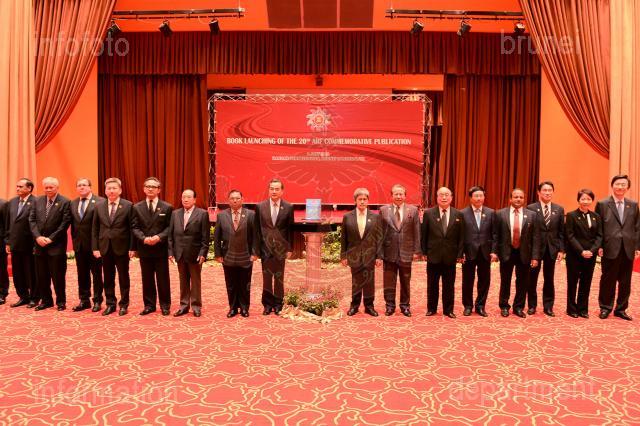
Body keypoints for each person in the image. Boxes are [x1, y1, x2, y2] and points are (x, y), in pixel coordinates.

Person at [595, 174, 640, 321]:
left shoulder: (633, 204)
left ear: (627, 188)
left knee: (625, 281)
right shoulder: (602, 204)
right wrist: (599, 245)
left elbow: (637, 227)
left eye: (623, 185)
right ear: (612, 185)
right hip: (609, 247)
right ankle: (605, 307)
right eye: (618, 184)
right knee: (608, 279)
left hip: (628, 248)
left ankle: (621, 309)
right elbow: (598, 227)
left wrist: (637, 246)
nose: (620, 187)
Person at [92, 177, 135, 316]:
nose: (111, 191)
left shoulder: (128, 205)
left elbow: (132, 228)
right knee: (108, 277)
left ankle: (124, 304)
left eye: (114, 188)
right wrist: (95, 247)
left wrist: (132, 247)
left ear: (120, 190)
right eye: (109, 188)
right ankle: (110, 304)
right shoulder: (99, 206)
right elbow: (95, 228)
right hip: (105, 247)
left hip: (122, 247)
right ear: (105, 191)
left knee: (123, 277)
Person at [496, 188, 541, 318]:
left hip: (524, 253)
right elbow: (496, 235)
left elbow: (536, 237)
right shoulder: (500, 214)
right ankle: (504, 306)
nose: (518, 199)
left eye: (521, 197)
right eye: (516, 197)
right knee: (505, 281)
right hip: (506, 252)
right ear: (510, 199)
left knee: (522, 282)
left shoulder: (532, 215)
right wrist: (495, 252)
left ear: (524, 199)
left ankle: (518, 307)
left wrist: (535, 257)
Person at [29, 177, 71, 311]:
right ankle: (46, 301)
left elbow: (64, 223)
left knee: (58, 277)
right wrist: (37, 237)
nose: (48, 189)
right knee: (42, 276)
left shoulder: (65, 202)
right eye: (46, 187)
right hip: (39, 245)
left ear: (57, 188)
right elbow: (32, 220)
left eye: (51, 187)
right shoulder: (37, 200)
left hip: (56, 246)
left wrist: (51, 239)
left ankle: (61, 302)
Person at [132, 177, 173, 316]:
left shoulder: (167, 207)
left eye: (153, 187)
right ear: (144, 189)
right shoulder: (136, 207)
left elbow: (170, 227)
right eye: (148, 186)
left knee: (163, 278)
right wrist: (143, 239)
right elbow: (134, 227)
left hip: (160, 248)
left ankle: (165, 305)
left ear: (159, 190)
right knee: (147, 278)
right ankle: (149, 305)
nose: (150, 189)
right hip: (144, 248)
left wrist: (159, 237)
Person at [421, 186, 465, 318]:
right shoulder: (429, 213)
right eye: (441, 195)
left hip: (450, 256)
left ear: (451, 198)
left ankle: (448, 310)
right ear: (437, 197)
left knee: (449, 285)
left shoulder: (458, 214)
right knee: (432, 284)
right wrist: (424, 252)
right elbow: (424, 234)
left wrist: (459, 254)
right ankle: (431, 308)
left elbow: (461, 237)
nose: (444, 197)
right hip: (433, 255)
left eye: (447, 195)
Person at [214, 190, 259, 318]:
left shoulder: (251, 215)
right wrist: (218, 254)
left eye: (237, 198)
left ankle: (244, 308)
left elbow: (256, 236)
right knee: (231, 284)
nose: (235, 200)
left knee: (245, 284)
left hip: (246, 255)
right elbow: (217, 237)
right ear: (228, 200)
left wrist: (255, 253)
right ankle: (233, 308)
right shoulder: (222, 216)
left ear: (242, 199)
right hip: (228, 255)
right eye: (232, 198)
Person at [379, 184, 421, 317]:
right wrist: (379, 254)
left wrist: (416, 251)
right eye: (396, 194)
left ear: (405, 196)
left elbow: (417, 231)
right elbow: (380, 233)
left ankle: (405, 306)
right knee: (388, 282)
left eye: (401, 194)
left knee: (405, 282)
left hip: (406, 252)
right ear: (391, 196)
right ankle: (389, 306)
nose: (398, 196)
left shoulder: (413, 210)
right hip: (389, 252)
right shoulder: (383, 210)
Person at [341, 187, 383, 316]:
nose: (363, 201)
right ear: (355, 201)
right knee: (356, 282)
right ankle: (354, 306)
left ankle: (369, 307)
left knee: (369, 282)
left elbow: (379, 238)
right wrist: (343, 256)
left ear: (368, 201)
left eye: (365, 199)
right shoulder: (347, 217)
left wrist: (379, 256)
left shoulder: (375, 217)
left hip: (370, 255)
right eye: (360, 199)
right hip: (353, 255)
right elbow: (344, 238)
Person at [255, 179, 294, 315]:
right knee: (266, 278)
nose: (274, 191)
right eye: (271, 188)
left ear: (282, 191)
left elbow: (290, 230)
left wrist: (290, 248)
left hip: (280, 249)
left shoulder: (288, 207)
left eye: (277, 189)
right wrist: (256, 249)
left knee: (279, 278)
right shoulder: (260, 207)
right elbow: (257, 230)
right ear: (268, 190)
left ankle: (278, 304)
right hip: (265, 248)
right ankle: (267, 305)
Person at [169, 189, 210, 317]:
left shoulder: (202, 214)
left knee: (195, 281)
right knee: (183, 280)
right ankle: (184, 306)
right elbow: (170, 235)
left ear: (194, 200)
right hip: (180, 253)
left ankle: (196, 306)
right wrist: (170, 252)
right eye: (183, 197)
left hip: (195, 253)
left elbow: (205, 237)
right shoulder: (175, 214)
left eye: (188, 197)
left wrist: (203, 253)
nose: (185, 199)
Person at [527, 181, 565, 316]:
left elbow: (561, 232)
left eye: (550, 190)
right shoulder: (531, 208)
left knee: (549, 278)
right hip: (535, 249)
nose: (547, 193)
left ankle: (548, 306)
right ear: (539, 192)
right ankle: (532, 305)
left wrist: (561, 250)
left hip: (551, 248)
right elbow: (528, 232)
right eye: (544, 190)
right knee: (532, 278)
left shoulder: (559, 209)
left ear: (553, 192)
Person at [564, 189, 602, 318]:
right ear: (578, 200)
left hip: (590, 255)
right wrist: (581, 251)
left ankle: (583, 309)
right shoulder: (571, 215)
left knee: (586, 282)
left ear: (592, 200)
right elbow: (570, 236)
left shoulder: (596, 216)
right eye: (583, 199)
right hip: (575, 254)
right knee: (572, 282)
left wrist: (592, 250)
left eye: (588, 199)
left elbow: (599, 236)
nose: (586, 201)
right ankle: (571, 308)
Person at [460, 186, 498, 317]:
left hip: (485, 252)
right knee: (467, 281)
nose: (478, 198)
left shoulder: (491, 212)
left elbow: (495, 234)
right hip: (468, 252)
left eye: (481, 195)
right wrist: (460, 253)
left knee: (484, 281)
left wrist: (494, 251)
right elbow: (460, 236)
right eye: (476, 196)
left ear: (484, 197)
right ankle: (468, 306)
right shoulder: (462, 213)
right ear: (470, 198)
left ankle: (480, 306)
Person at [69, 178, 105, 312]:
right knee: (82, 274)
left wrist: (99, 245)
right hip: (79, 245)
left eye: (84, 185)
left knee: (96, 274)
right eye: (79, 185)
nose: (81, 187)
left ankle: (97, 300)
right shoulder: (73, 203)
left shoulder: (100, 202)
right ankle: (84, 300)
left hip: (95, 246)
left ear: (90, 187)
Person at [5, 178, 38, 308]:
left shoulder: (36, 202)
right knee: (18, 273)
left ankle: (34, 298)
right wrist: (8, 242)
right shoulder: (12, 202)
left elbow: (37, 224)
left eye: (20, 186)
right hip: (15, 243)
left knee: (31, 273)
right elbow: (8, 223)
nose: (17, 188)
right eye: (17, 186)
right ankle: (23, 296)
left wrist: (36, 243)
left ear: (29, 188)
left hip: (29, 244)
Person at [0, 198, 8, 305]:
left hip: (0, 241)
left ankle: (2, 293)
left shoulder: (3, 204)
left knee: (1, 268)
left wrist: (7, 241)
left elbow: (7, 225)